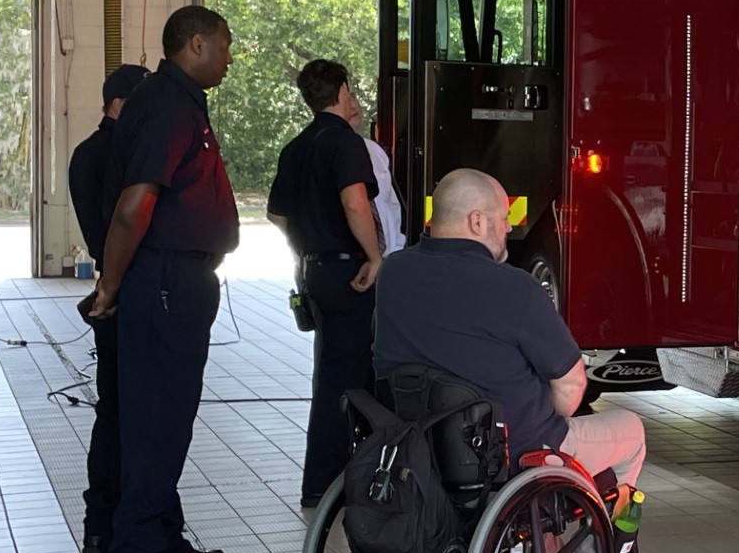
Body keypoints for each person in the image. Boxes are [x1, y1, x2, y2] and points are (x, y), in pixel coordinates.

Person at [91, 6, 239, 553]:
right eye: (225, 46)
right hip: (164, 283)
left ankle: (160, 538)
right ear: (196, 44)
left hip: (174, 280)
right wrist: (110, 286)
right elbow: (135, 206)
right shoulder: (168, 106)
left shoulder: (174, 101)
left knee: (163, 420)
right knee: (157, 422)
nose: (230, 57)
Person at [374, 168, 645, 483]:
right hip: (508, 455)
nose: (509, 227)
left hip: (415, 449)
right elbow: (571, 384)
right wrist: (549, 427)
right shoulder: (515, 286)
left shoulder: (392, 274)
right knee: (632, 430)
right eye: (504, 218)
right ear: (477, 221)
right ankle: (616, 529)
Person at [267, 60, 383, 507]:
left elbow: (277, 214)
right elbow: (356, 204)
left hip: (315, 269)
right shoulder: (344, 143)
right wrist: (374, 256)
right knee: (351, 378)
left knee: (333, 371)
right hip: (349, 271)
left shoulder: (296, 146)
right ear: (340, 90)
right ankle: (332, 482)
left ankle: (330, 477)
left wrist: (304, 248)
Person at [66, 62, 149, 553]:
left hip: (113, 288)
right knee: (132, 414)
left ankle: (101, 521)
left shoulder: (86, 155)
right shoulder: (118, 155)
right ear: (118, 105)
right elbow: (120, 226)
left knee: (113, 410)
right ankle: (117, 519)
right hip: (128, 291)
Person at [358, 116, 405, 257]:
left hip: (388, 255)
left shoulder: (374, 150)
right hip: (355, 257)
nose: (352, 105)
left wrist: (397, 247)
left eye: (353, 96)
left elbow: (391, 204)